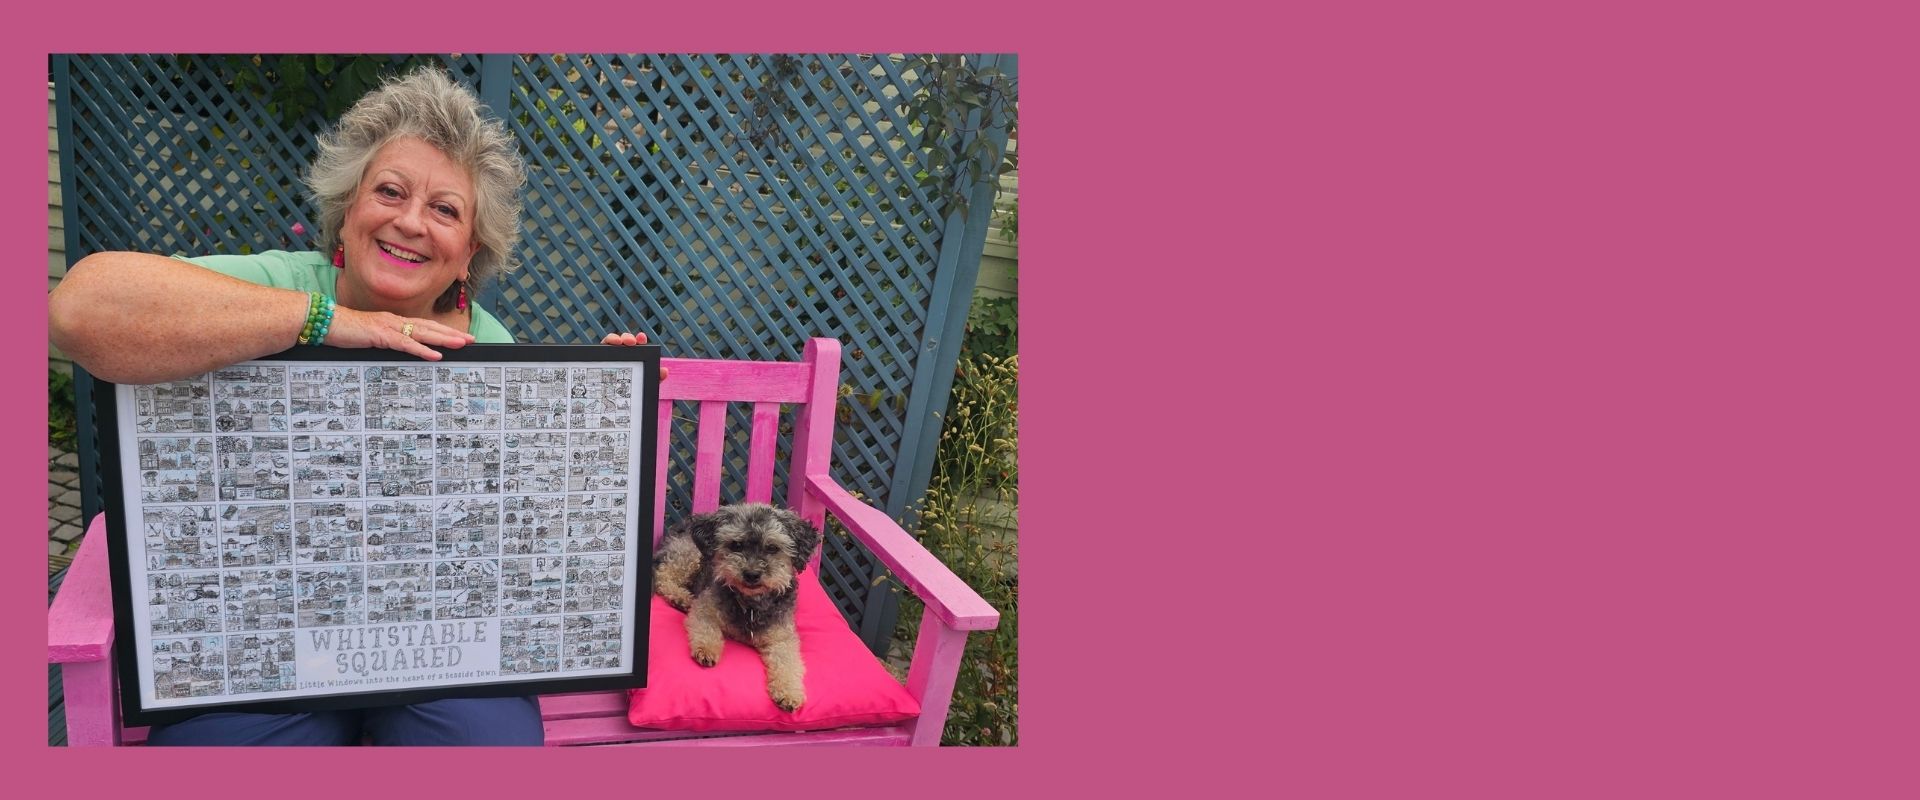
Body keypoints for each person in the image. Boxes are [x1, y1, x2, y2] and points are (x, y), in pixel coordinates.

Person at [49, 66, 648, 746]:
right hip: (259, 647)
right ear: (348, 210)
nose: (410, 221)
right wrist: (324, 324)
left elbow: (525, 540)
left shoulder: (489, 346)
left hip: (436, 654)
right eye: (389, 191)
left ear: (467, 256)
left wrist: (596, 422)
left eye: (446, 209)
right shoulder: (278, 283)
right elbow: (79, 309)